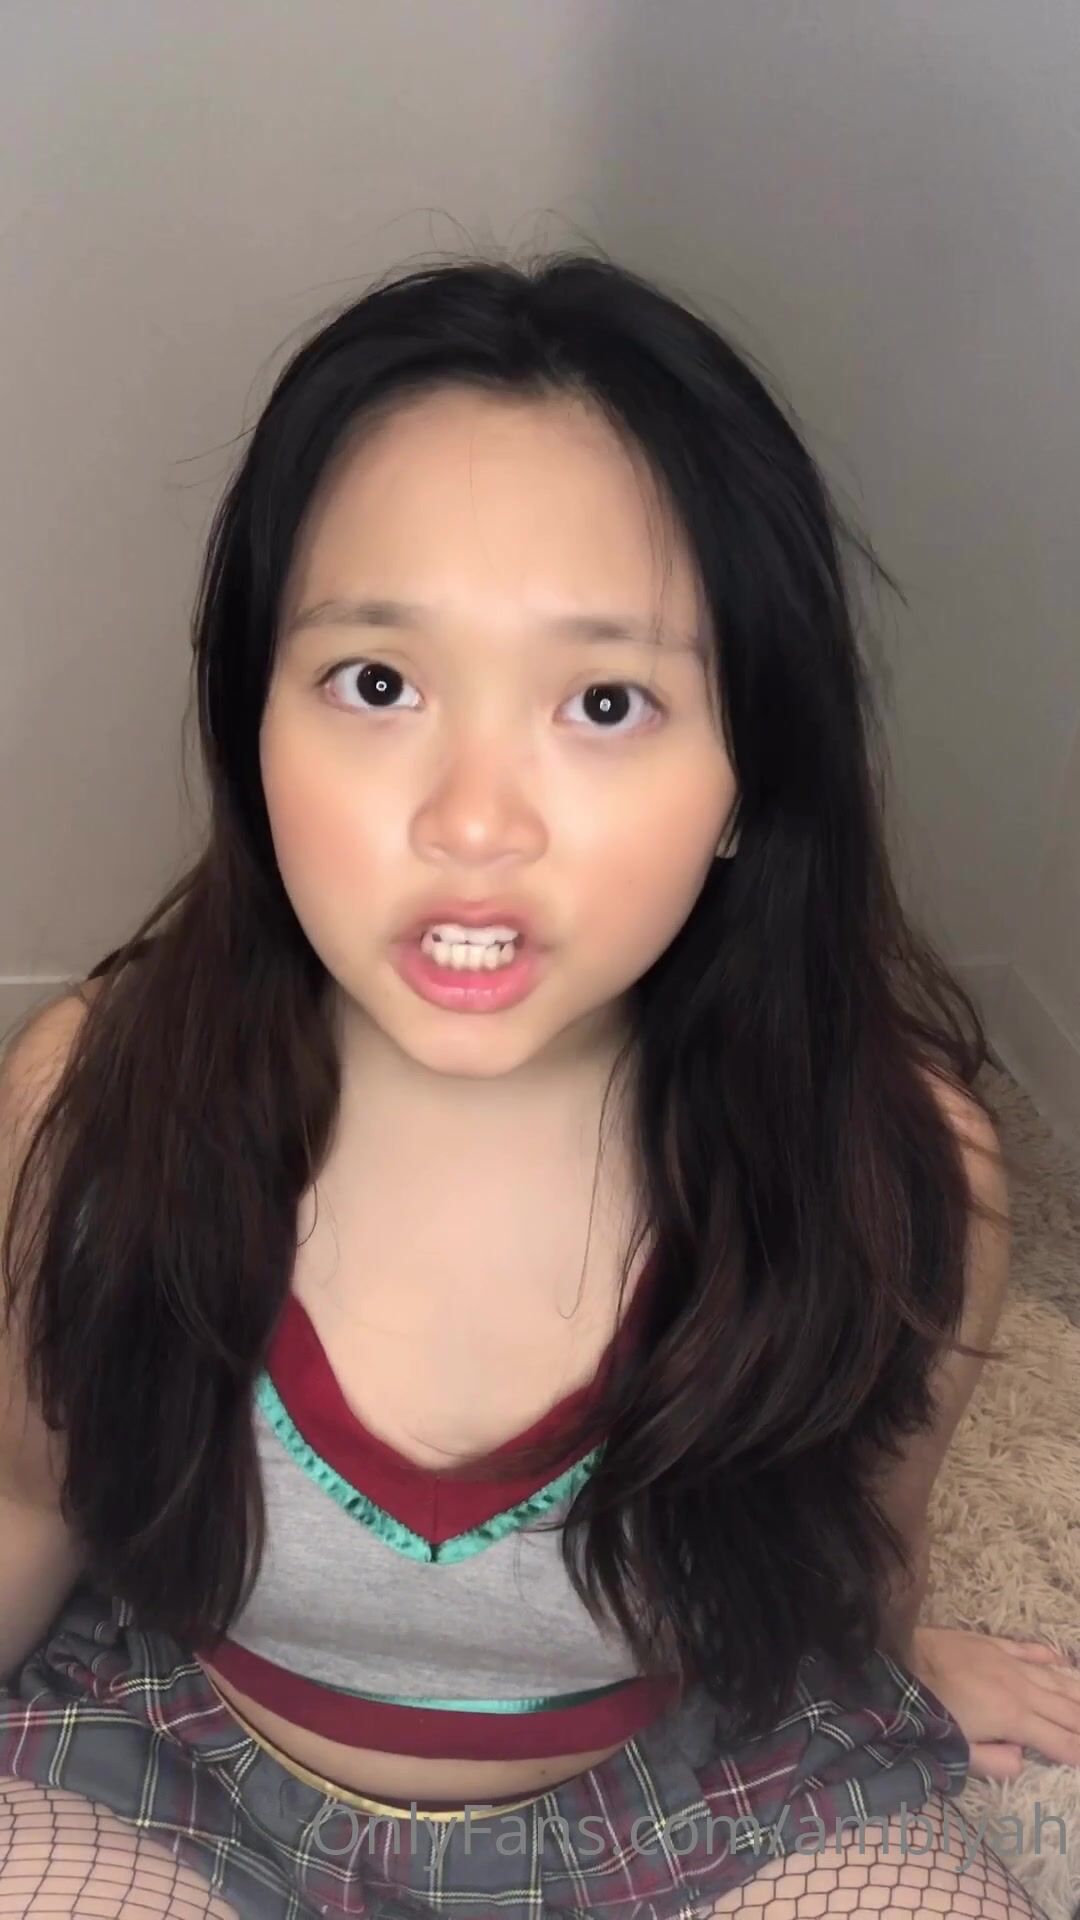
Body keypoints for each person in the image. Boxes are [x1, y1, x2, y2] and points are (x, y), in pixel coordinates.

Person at [0, 250, 1074, 1920]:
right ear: (252, 718)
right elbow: (28, 1495)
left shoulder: (899, 1174)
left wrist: (897, 1650)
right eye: (377, 684)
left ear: (750, 772)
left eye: (606, 701)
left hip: (698, 1786)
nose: (474, 822)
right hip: (181, 1770)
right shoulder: (92, 1102)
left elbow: (862, 1536)